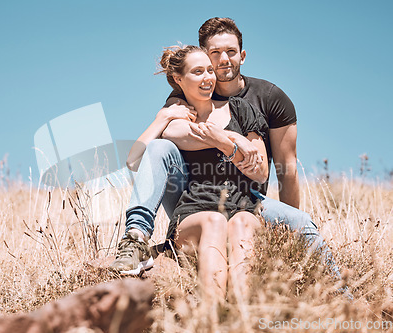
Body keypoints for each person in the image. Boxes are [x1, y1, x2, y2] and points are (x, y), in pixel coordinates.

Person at [110, 17, 342, 283]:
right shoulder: (187, 95)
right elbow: (172, 136)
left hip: (247, 196)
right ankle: (136, 238)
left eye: (230, 52)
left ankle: (340, 293)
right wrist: (232, 140)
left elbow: (285, 169)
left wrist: (281, 233)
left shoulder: (268, 99)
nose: (222, 61)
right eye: (214, 54)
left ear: (242, 55)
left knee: (301, 222)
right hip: (193, 194)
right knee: (161, 147)